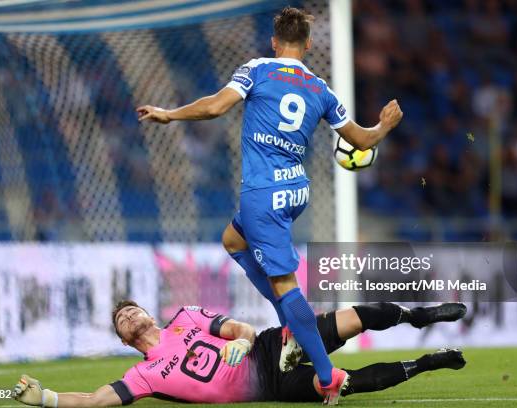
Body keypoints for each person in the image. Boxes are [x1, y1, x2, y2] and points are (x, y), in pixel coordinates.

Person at [135, 6, 403, 404]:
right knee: (233, 241)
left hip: (263, 196)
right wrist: (384, 125)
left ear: (275, 41)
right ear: (309, 44)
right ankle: (293, 324)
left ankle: (325, 373)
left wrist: (169, 114)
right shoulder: (320, 88)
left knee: (285, 287)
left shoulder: (258, 69)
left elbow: (214, 107)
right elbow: (362, 141)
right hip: (295, 191)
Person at [12, 301, 466, 407]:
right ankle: (428, 362)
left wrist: (242, 342)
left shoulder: (185, 318)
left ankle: (417, 316)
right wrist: (46, 398)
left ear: (148, 313)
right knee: (340, 382)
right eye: (122, 319)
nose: (130, 316)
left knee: (349, 319)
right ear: (124, 338)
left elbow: (238, 328)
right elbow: (93, 401)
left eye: (133, 308)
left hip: (269, 346)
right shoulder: (143, 375)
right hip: (270, 384)